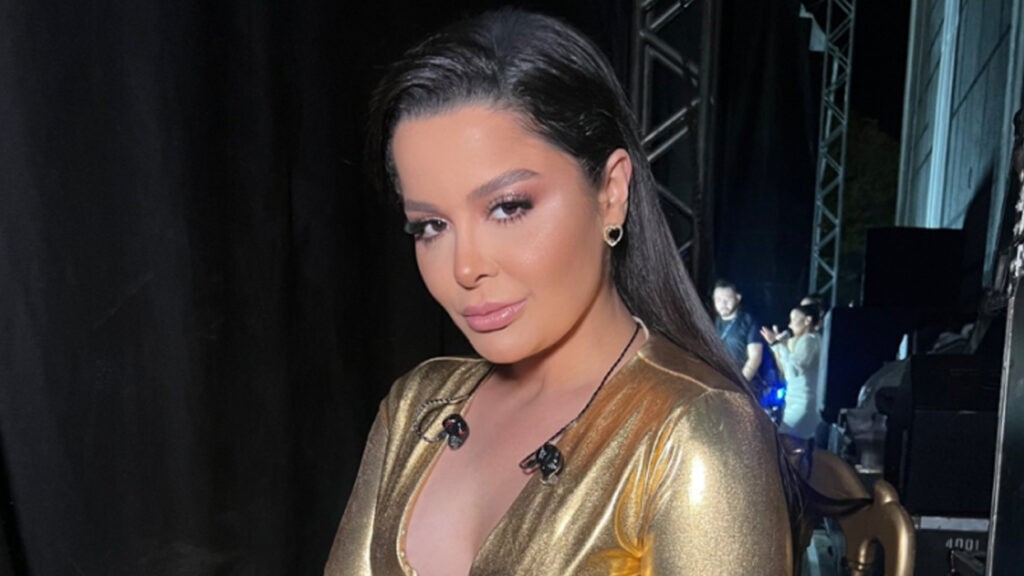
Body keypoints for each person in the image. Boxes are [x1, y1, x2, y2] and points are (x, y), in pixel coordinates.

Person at [325, 9, 793, 575]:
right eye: (431, 226)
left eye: (508, 208)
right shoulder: (417, 407)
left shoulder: (697, 432)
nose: (465, 268)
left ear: (611, 193)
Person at [760, 304, 823, 440]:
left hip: (802, 404)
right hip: (799, 402)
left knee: (784, 441)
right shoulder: (810, 340)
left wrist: (778, 345)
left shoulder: (809, 341)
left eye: (793, 319)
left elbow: (792, 372)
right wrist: (777, 346)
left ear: (807, 320)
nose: (790, 325)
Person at [712, 279, 764, 382]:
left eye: (727, 299)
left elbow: (755, 357)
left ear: (738, 298)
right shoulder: (711, 321)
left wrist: (741, 383)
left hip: (741, 382)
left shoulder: (748, 321)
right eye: (718, 300)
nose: (723, 304)